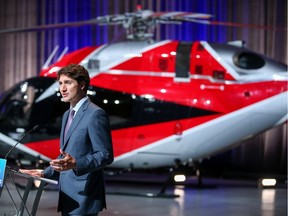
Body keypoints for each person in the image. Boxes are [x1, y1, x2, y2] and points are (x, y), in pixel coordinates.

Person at [20, 64, 114, 216]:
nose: (62, 88)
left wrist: (76, 164)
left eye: (68, 83)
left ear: (82, 84)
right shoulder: (67, 115)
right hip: (67, 196)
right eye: (60, 83)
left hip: (84, 196)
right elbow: (66, 156)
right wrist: (44, 173)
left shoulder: (95, 114)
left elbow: (105, 155)